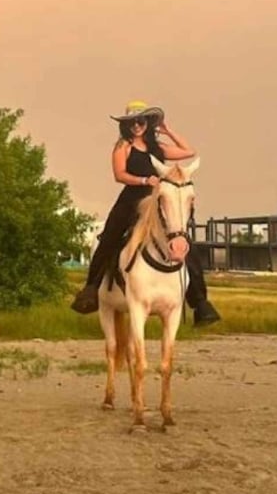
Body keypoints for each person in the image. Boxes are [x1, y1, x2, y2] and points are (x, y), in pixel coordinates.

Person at [69, 100, 220, 325]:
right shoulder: (123, 146)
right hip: (131, 199)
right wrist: (143, 180)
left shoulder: (157, 147)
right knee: (109, 240)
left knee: (183, 243)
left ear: (148, 123)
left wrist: (168, 131)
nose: (137, 126)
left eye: (141, 121)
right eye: (132, 122)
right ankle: (91, 290)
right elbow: (119, 174)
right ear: (126, 125)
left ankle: (200, 303)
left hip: (157, 202)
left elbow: (188, 151)